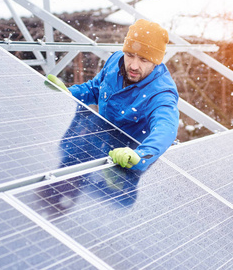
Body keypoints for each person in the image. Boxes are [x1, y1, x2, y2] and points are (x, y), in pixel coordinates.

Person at [48, 19, 179, 171]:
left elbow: (166, 128)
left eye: (144, 59)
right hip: (104, 148)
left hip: (131, 164)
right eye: (130, 55)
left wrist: (142, 154)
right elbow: (95, 89)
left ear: (156, 61)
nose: (134, 66)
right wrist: (69, 93)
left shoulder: (162, 92)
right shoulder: (115, 61)